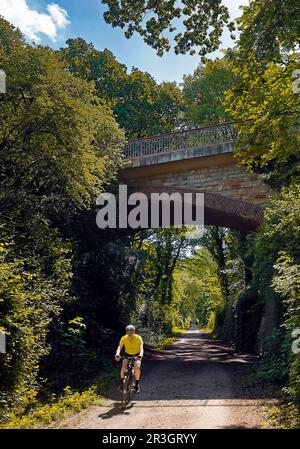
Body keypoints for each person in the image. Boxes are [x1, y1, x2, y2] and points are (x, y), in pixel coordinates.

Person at [115, 325, 144, 393]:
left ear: (134, 332)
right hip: (127, 354)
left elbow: (141, 347)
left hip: (137, 354)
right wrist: (117, 354)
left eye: (131, 332)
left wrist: (140, 354)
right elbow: (120, 346)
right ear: (126, 332)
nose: (129, 334)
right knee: (123, 367)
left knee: (137, 367)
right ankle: (122, 383)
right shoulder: (124, 338)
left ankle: (137, 385)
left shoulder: (138, 338)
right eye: (128, 332)